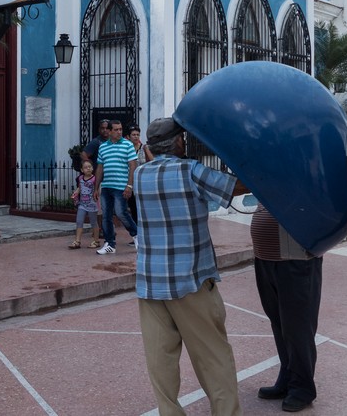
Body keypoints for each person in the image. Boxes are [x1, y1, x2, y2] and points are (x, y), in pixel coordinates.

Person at [133, 117, 242, 416]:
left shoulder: (140, 175)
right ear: (178, 142)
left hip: (151, 283)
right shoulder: (191, 171)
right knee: (213, 358)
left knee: (160, 364)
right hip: (190, 281)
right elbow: (233, 187)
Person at [252, 204, 322, 412]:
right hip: (265, 257)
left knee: (298, 328)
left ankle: (302, 389)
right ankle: (287, 378)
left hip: (295, 259)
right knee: (279, 324)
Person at [95, 120, 139, 255]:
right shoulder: (103, 147)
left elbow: (133, 165)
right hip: (107, 186)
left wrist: (129, 185)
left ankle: (137, 235)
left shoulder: (128, 145)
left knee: (121, 212)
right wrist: (96, 188)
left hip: (121, 186)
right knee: (106, 216)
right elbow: (100, 167)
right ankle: (110, 244)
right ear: (109, 131)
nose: (119, 132)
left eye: (120, 129)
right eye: (116, 130)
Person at [68, 159, 101, 249]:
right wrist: (76, 193)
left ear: (93, 168)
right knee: (79, 221)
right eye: (86, 167)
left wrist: (97, 194)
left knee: (94, 222)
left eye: (90, 167)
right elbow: (80, 187)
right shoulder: (80, 178)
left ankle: (96, 241)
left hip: (92, 205)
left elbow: (98, 190)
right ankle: (77, 241)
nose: (88, 169)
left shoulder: (95, 179)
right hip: (82, 204)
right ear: (82, 170)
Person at [126, 124, 154, 222]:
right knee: (133, 207)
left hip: (142, 181)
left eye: (137, 135)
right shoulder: (126, 149)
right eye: (133, 135)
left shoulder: (144, 148)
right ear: (128, 137)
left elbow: (152, 161)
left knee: (143, 206)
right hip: (130, 181)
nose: (136, 137)